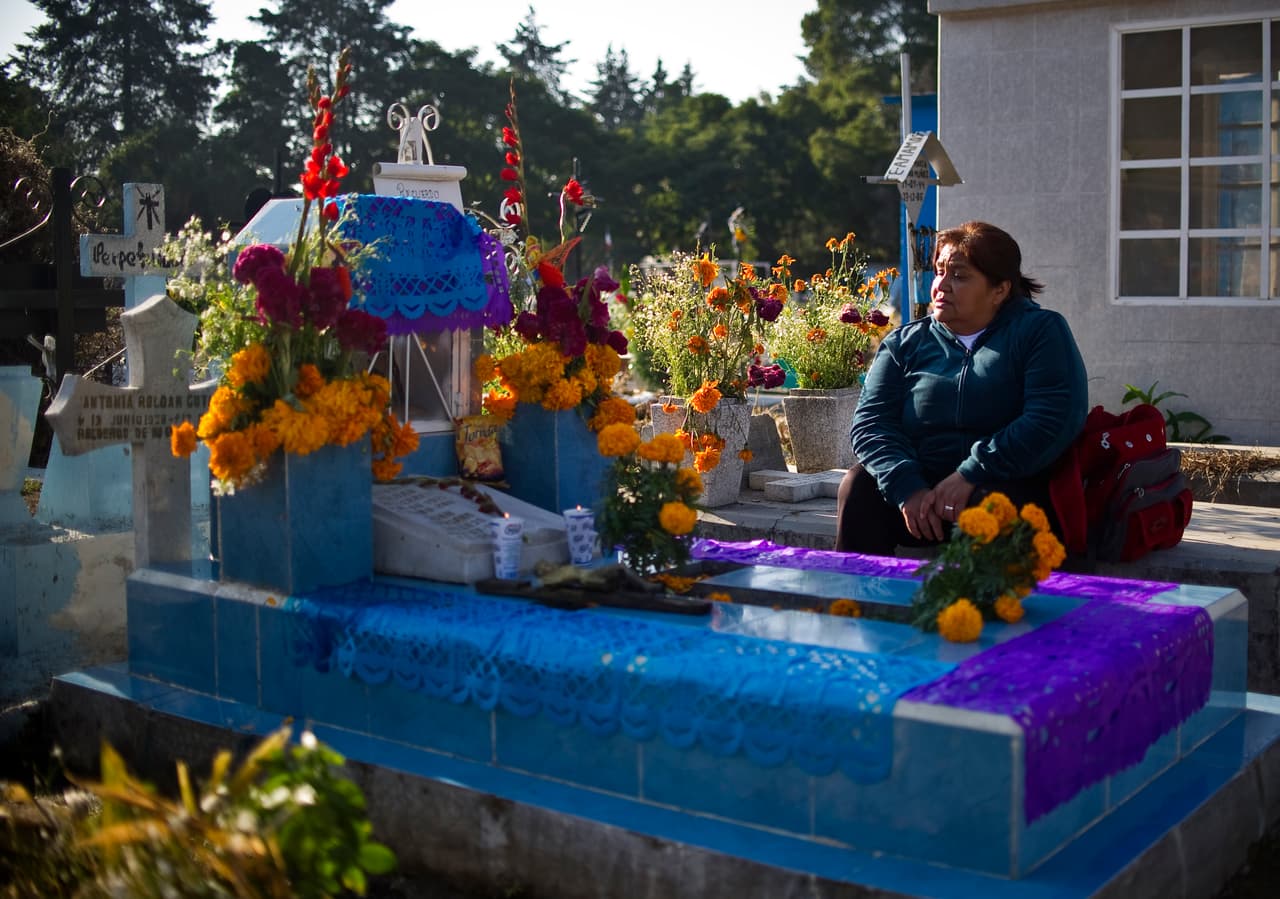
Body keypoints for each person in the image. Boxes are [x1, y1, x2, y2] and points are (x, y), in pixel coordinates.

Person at [835, 221, 1087, 555]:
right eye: (939, 272)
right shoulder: (905, 343)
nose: (941, 285)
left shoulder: (1039, 332)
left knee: (995, 505)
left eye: (959, 276)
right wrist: (907, 487)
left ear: (999, 290)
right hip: (922, 495)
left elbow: (1052, 417)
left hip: (1004, 485)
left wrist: (972, 473)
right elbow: (872, 424)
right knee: (858, 487)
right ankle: (856, 589)